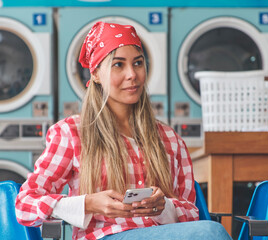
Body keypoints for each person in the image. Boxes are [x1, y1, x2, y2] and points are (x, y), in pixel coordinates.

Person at [15, 21, 232, 240]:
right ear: (96, 74)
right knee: (211, 232)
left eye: (138, 63)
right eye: (118, 65)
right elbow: (25, 204)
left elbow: (191, 214)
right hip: (105, 236)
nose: (132, 74)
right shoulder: (72, 133)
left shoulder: (170, 140)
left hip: (160, 234)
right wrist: (89, 203)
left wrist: (163, 207)